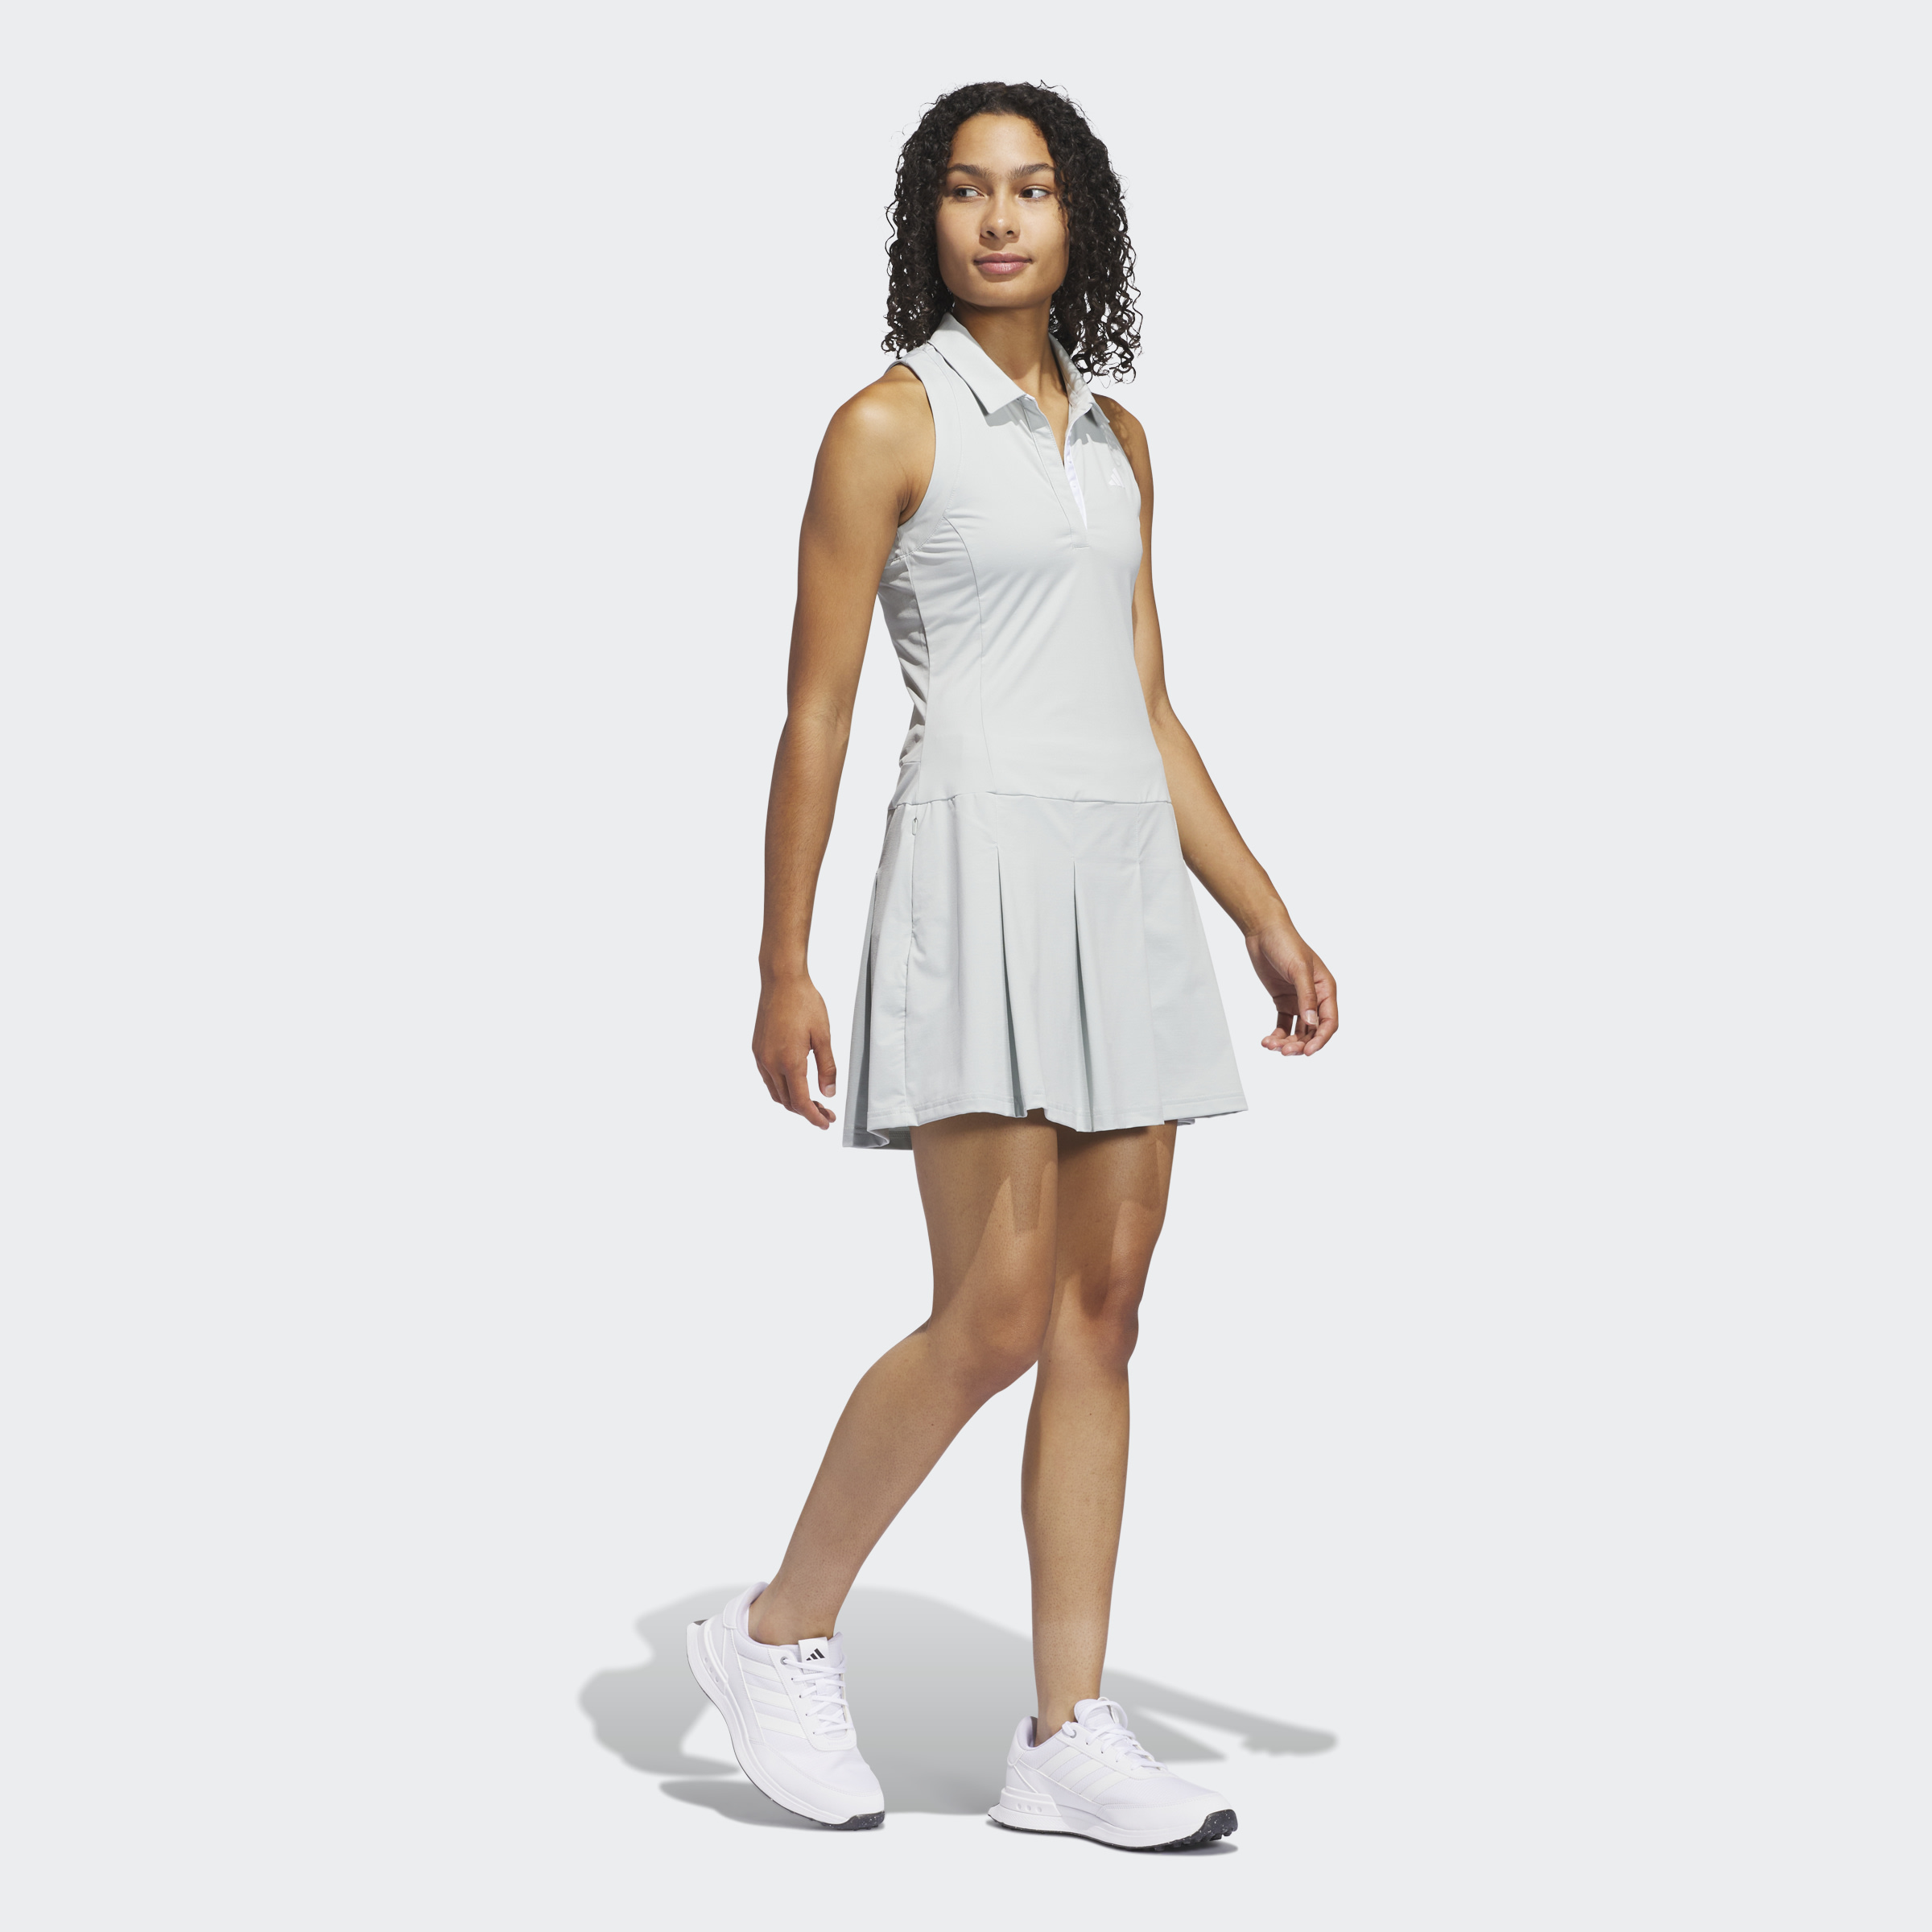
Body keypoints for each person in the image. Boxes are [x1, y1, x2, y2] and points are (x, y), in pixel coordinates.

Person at [685, 80, 1337, 1851]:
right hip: (975, 870)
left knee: (1103, 1312)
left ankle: (1065, 1735)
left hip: (1124, 885)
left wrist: (1262, 912)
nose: (998, 219)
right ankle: (776, 1630)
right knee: (993, 1308)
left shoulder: (1121, 443)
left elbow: (1148, 704)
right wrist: (781, 962)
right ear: (931, 221)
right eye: (968, 191)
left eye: (1031, 190)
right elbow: (816, 711)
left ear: (1076, 220)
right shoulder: (886, 425)